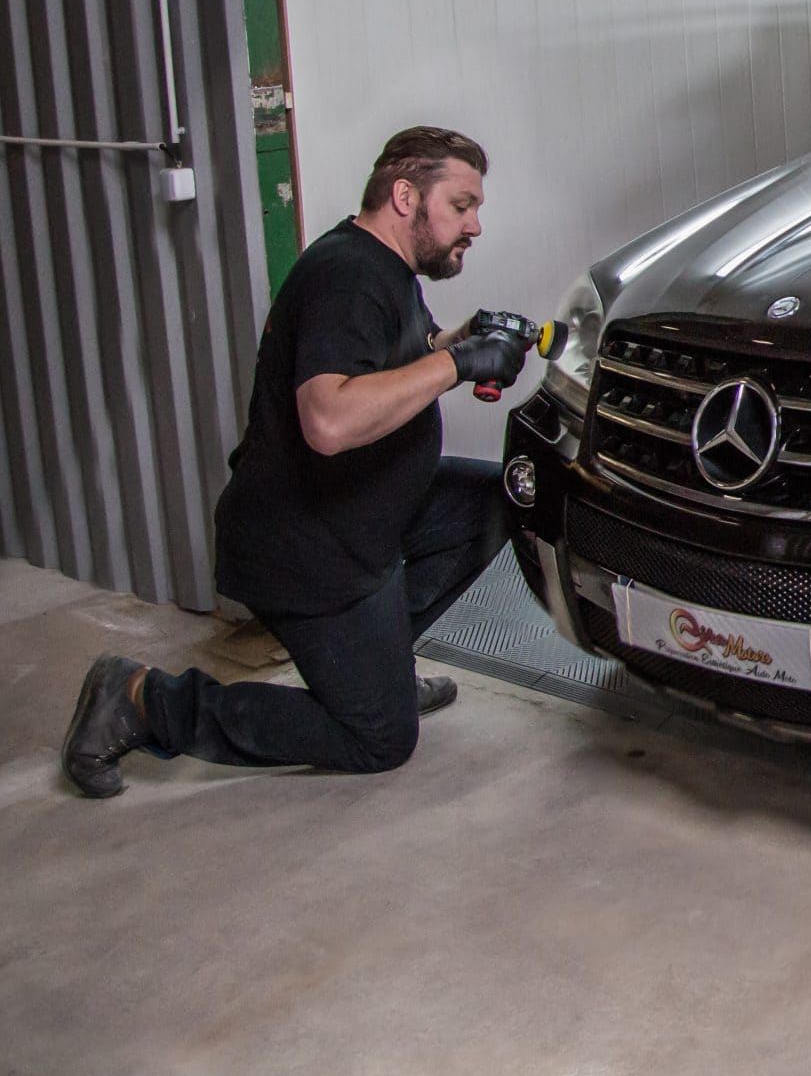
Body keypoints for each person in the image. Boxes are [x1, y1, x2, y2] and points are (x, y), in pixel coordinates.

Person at [61, 127, 533, 797]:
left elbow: (391, 349)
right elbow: (329, 419)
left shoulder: (383, 268)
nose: (475, 225)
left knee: (497, 499)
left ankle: (379, 671)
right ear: (406, 196)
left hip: (365, 515)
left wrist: (459, 338)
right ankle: (143, 700)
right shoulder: (349, 276)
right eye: (461, 205)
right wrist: (455, 364)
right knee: (379, 739)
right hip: (306, 545)